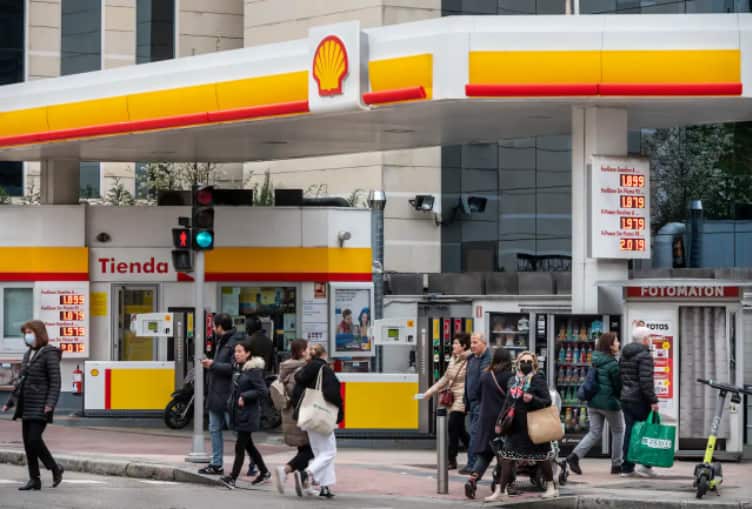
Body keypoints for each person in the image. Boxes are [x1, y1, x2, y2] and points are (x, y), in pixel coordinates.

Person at [2, 321, 63, 491]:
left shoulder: (49, 353)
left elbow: (55, 382)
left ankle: (55, 468)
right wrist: (10, 402)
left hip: (41, 404)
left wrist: (50, 403)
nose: (26, 335)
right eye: (25, 332)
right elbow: (21, 382)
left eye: (29, 332)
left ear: (39, 333)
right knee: (28, 444)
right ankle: (34, 479)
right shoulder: (28, 354)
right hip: (26, 405)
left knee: (34, 439)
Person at [496, 351, 559, 501]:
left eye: (529, 362)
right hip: (516, 427)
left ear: (534, 364)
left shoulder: (538, 379)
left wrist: (532, 399)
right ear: (517, 363)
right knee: (507, 457)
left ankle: (551, 487)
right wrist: (499, 421)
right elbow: (507, 402)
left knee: (542, 458)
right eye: (522, 361)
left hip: (534, 425)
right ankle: (502, 491)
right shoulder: (512, 381)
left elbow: (546, 401)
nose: (525, 364)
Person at [567, 332, 625, 475]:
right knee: (618, 431)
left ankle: (574, 456)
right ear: (610, 346)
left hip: (592, 402)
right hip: (609, 404)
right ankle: (616, 464)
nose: (618, 344)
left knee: (594, 432)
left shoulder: (596, 360)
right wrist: (621, 400)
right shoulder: (612, 364)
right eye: (616, 341)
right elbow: (618, 387)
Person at [292, 344, 343, 499]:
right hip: (322, 415)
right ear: (324, 355)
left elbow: (296, 391)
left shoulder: (305, 370)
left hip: (308, 415)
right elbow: (333, 394)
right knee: (329, 451)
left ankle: (325, 487)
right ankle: (307, 473)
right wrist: (339, 413)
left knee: (320, 452)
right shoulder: (325, 370)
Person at [464, 347, 514, 501]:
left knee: (485, 454)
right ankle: (499, 483)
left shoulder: (485, 375)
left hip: (485, 420)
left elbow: (476, 395)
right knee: (504, 455)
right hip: (502, 421)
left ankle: (472, 479)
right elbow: (512, 397)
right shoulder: (509, 377)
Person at [199, 313, 245, 475]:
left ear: (219, 327)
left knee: (236, 429)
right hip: (215, 391)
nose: (212, 329)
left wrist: (212, 365)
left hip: (227, 393)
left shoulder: (234, 343)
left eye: (214, 326)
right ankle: (216, 463)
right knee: (214, 428)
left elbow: (234, 367)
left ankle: (253, 461)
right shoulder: (222, 341)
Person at [220, 341, 270, 488]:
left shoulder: (253, 370)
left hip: (248, 414)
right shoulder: (239, 369)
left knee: (240, 446)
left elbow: (263, 391)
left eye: (240, 351)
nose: (237, 354)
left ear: (248, 353)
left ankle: (232, 478)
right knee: (249, 446)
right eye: (236, 351)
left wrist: (245, 396)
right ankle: (264, 472)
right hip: (240, 413)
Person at [421, 333, 471, 469]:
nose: (453, 346)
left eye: (456, 343)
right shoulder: (453, 359)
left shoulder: (470, 360)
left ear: (464, 346)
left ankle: (451, 459)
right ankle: (477, 452)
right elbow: (445, 378)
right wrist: (429, 392)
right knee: (460, 430)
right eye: (453, 343)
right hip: (453, 398)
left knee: (452, 426)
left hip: (462, 398)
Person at [273, 339, 314, 494]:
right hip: (299, 416)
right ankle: (285, 469)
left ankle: (304, 483)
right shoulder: (300, 370)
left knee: (303, 449)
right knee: (312, 450)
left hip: (291, 416)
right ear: (302, 351)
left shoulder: (287, 368)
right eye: (308, 348)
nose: (311, 351)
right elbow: (301, 395)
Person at [619, 326, 659, 478]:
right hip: (639, 400)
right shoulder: (644, 355)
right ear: (644, 340)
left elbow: (620, 376)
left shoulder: (624, 354)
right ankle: (646, 465)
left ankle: (627, 468)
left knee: (629, 432)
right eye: (649, 338)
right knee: (645, 432)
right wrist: (653, 400)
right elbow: (646, 381)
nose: (650, 340)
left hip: (626, 398)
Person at [462, 332, 491, 474]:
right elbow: (468, 381)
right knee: (474, 433)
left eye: (475, 342)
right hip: (472, 403)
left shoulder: (488, 359)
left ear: (484, 343)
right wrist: (465, 400)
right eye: (471, 342)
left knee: (474, 433)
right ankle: (474, 463)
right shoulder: (472, 358)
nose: (472, 346)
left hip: (481, 402)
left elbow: (483, 381)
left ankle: (472, 465)